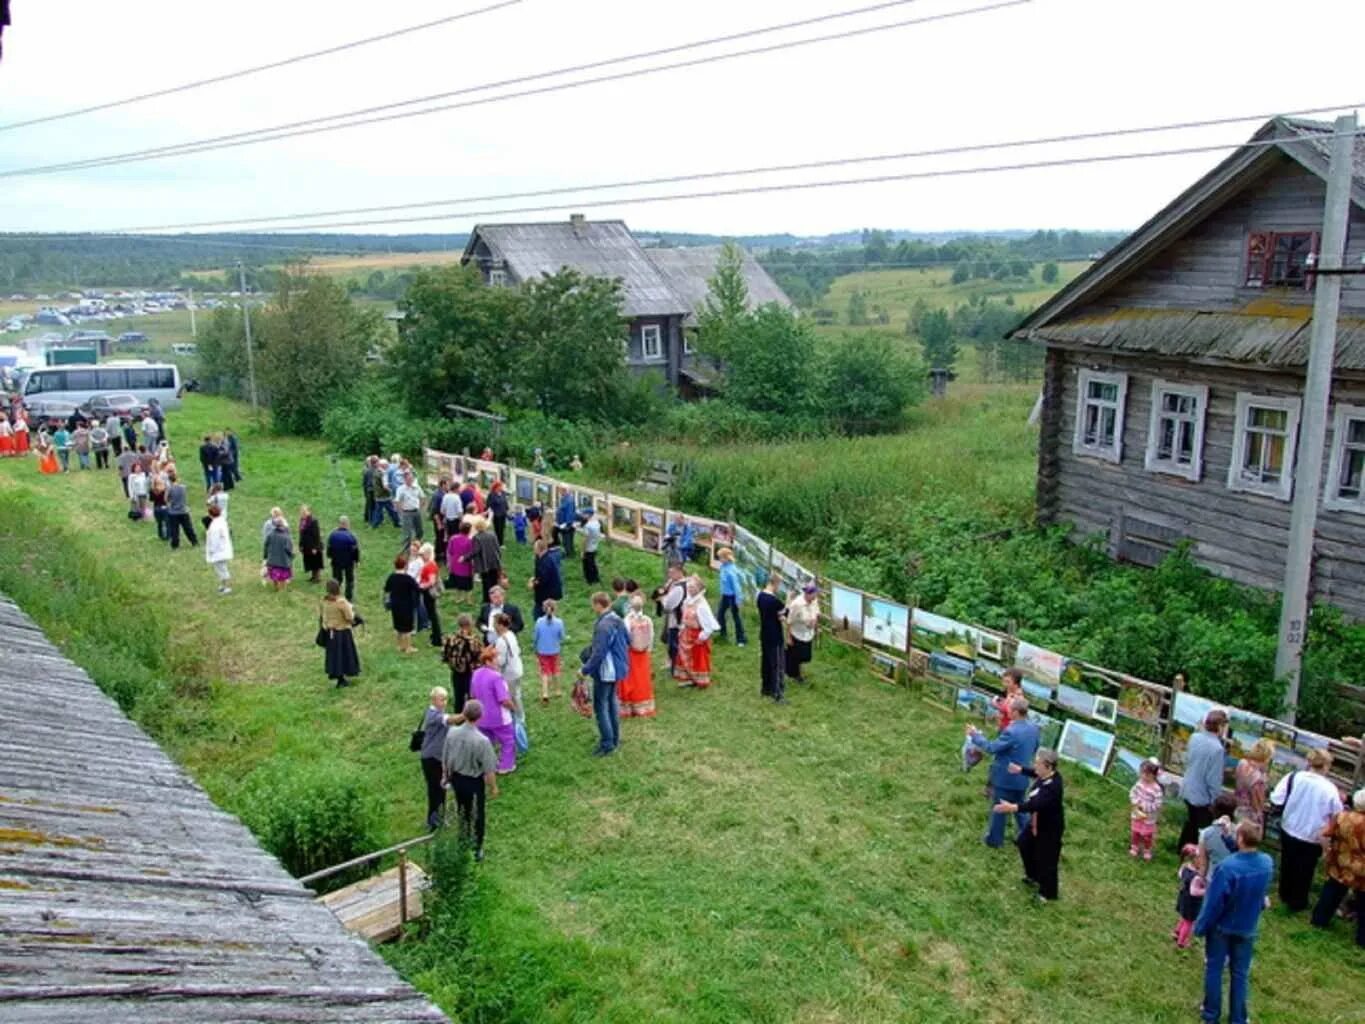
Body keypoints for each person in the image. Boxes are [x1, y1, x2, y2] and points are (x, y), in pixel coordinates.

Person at [1193, 821, 1274, 1024]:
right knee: (1240, 974)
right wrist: (1230, 836)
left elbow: (1214, 903)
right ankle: (1238, 1018)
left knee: (1214, 969)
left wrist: (1201, 926)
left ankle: (1211, 1014)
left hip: (1223, 927)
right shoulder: (1266, 862)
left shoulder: (1226, 868)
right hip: (1247, 927)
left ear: (1240, 839)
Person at [1269, 746, 1343, 912]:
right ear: (1325, 766)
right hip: (1312, 836)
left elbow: (1276, 798)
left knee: (1288, 861)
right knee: (1305, 869)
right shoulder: (1329, 788)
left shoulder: (1293, 777)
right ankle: (1297, 900)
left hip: (1289, 827)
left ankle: (1284, 892)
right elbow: (1337, 813)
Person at [967, 696, 1041, 848]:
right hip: (1022, 777)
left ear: (1015, 712)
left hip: (1005, 778)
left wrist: (975, 735)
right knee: (1020, 809)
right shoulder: (1034, 729)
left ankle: (994, 840)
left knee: (999, 808)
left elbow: (992, 748)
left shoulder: (1011, 731)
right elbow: (1035, 749)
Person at [995, 748, 1065, 902]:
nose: (1035, 765)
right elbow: (1035, 773)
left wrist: (1012, 807)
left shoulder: (1053, 787)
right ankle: (1033, 875)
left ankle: (1048, 893)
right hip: (1035, 823)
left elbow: (1035, 805)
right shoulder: (1044, 775)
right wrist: (1020, 770)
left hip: (1049, 828)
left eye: (1037, 763)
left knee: (1047, 860)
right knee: (1023, 843)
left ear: (1048, 766)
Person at [441, 699, 500, 860]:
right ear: (480, 717)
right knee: (477, 815)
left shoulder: (452, 732)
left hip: (456, 779)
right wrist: (493, 787)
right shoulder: (481, 741)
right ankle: (477, 848)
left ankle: (462, 840)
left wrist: (445, 776)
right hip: (473, 782)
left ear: (464, 714)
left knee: (462, 810)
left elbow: (445, 757)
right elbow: (489, 769)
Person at [1311, 787, 1365, 947]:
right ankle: (1362, 938)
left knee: (1332, 890)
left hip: (1340, 862)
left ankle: (1319, 920)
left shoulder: (1342, 816)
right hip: (1361, 870)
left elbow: (1325, 833)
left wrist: (1327, 850)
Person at [580, 591, 628, 757]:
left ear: (598, 605)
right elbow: (627, 640)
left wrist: (585, 669)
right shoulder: (618, 619)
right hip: (618, 667)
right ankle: (615, 738)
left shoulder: (603, 626)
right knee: (612, 702)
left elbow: (599, 653)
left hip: (606, 670)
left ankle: (607, 743)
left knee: (601, 706)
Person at [1178, 709, 1229, 851]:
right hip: (1202, 794)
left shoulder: (1195, 737)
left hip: (1188, 787)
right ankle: (1195, 854)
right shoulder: (1217, 749)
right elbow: (1213, 779)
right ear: (1220, 727)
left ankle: (1182, 848)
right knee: (1201, 828)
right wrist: (1215, 801)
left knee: (1191, 821)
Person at [470, 646, 517, 774]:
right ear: (488, 661)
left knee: (487, 742)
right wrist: (513, 708)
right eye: (495, 658)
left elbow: (473, 695)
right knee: (508, 740)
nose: (498, 661)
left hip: (481, 717)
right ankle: (506, 765)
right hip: (499, 717)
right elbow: (503, 699)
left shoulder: (476, 673)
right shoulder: (496, 677)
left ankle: (488, 764)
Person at [418, 687, 459, 831]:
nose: (444, 702)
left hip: (437, 757)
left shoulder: (438, 713)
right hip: (431, 758)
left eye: (446, 699)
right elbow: (451, 720)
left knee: (440, 788)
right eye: (442, 699)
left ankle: (438, 818)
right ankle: (434, 820)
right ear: (434, 700)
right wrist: (467, 714)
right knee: (435, 789)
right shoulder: (433, 715)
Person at [673, 575, 720, 689]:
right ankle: (690, 678)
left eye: (693, 587)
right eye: (689, 587)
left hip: (696, 635)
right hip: (686, 633)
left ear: (699, 588)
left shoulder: (701, 605)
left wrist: (702, 637)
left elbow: (707, 625)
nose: (690, 589)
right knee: (685, 658)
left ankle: (700, 680)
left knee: (698, 659)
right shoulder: (688, 601)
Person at [621, 592, 656, 718]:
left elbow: (650, 636)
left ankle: (637, 705)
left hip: (637, 654)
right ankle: (638, 704)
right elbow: (650, 637)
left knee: (637, 678)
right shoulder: (637, 620)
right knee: (638, 679)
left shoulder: (637, 620)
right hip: (637, 654)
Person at [320, 578, 360, 688]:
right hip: (342, 632)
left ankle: (339, 677)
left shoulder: (325, 602)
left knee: (335, 657)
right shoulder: (341, 602)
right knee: (345, 655)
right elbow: (349, 617)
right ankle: (344, 676)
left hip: (331, 632)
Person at [756, 573, 787, 703]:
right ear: (776, 583)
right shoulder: (775, 601)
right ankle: (777, 692)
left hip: (764, 633)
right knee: (777, 664)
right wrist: (789, 601)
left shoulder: (760, 596)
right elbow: (783, 615)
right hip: (775, 635)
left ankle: (766, 688)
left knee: (766, 662)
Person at [442, 614, 482, 710]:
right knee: (471, 698)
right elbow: (479, 656)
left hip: (456, 672)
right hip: (470, 672)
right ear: (469, 625)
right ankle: (471, 718)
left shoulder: (450, 638)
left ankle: (458, 719)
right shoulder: (473, 640)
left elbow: (444, 655)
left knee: (458, 698)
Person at [652, 563, 687, 671]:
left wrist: (661, 598)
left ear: (680, 572)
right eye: (669, 572)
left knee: (674, 642)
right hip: (673, 616)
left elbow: (668, 605)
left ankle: (675, 665)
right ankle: (672, 661)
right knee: (669, 639)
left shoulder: (679, 587)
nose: (670, 575)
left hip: (676, 617)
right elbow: (665, 590)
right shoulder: (673, 582)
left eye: (672, 573)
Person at [384, 554, 421, 654]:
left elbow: (387, 589)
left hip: (395, 605)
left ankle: (399, 646)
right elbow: (417, 589)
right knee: (407, 628)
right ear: (405, 566)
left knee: (398, 626)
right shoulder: (408, 578)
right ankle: (408, 647)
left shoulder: (391, 577)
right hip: (406, 605)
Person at [494, 613, 525, 730]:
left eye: (495, 624)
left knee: (512, 696)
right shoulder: (511, 634)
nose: (494, 627)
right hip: (517, 668)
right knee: (517, 694)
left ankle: (519, 719)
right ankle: (519, 717)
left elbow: (501, 661)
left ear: (501, 625)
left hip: (509, 673)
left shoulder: (501, 641)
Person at [784, 583, 820, 684]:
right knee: (796, 657)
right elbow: (789, 621)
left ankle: (794, 668)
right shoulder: (797, 604)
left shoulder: (814, 601)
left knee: (806, 656)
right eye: (814, 594)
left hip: (808, 634)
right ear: (808, 594)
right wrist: (788, 637)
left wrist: (815, 623)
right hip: (797, 634)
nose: (816, 596)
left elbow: (816, 613)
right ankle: (797, 676)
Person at [1233, 739, 1273, 829]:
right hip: (1250, 816)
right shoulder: (1259, 778)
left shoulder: (1242, 763)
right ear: (1266, 756)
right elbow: (1258, 803)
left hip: (1238, 807)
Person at [1174, 843, 1208, 949]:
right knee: (1189, 922)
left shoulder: (1184, 867)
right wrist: (1206, 890)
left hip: (1183, 897)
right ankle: (1182, 941)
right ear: (1195, 860)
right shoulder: (1196, 877)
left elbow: (1180, 875)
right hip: (1192, 902)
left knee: (1184, 917)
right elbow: (1194, 891)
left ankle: (1177, 931)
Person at [1129, 757, 1164, 861]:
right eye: (1142, 773)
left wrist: (1146, 807)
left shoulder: (1157, 789)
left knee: (1147, 835)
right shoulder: (1139, 783)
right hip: (1137, 813)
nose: (1144, 776)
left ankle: (1147, 850)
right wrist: (1135, 801)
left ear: (1154, 775)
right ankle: (1134, 847)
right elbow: (1132, 793)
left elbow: (1158, 804)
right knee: (1135, 831)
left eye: (1147, 774)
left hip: (1149, 817)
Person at [533, 599, 566, 705]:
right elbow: (562, 637)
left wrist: (535, 647)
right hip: (555, 650)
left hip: (542, 650)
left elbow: (535, 637)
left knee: (544, 672)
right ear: (555, 609)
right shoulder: (559, 622)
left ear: (543, 609)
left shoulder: (538, 621)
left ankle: (545, 693)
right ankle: (557, 690)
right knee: (555, 670)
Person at [713, 547, 747, 646]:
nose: (719, 559)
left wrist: (738, 599)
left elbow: (736, 587)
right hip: (725, 595)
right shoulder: (723, 567)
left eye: (721, 557)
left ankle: (741, 639)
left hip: (732, 597)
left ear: (727, 558)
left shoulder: (731, 570)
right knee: (720, 614)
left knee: (735, 617)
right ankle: (723, 633)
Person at [326, 516, 360, 603]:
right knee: (349, 580)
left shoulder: (333, 535)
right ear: (347, 524)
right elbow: (355, 550)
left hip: (336, 561)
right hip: (348, 562)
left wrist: (329, 556)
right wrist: (356, 560)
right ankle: (348, 598)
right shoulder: (351, 536)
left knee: (337, 579)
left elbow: (329, 548)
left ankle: (334, 595)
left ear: (339, 524)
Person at [469, 517, 503, 603]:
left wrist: (465, 558)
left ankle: (487, 599)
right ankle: (497, 598)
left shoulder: (476, 538)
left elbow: (475, 551)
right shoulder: (492, 534)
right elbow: (497, 548)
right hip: (494, 561)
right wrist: (499, 557)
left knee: (486, 583)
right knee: (494, 581)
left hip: (484, 564)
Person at [530, 537, 563, 619]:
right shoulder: (542, 558)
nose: (533, 549)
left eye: (534, 547)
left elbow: (543, 579)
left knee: (539, 614)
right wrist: (534, 579)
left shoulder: (546, 562)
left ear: (539, 549)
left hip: (547, 593)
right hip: (547, 592)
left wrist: (533, 584)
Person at [418, 542, 443, 646]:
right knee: (432, 614)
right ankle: (436, 635)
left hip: (429, 593)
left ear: (428, 554)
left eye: (422, 554)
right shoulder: (430, 564)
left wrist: (422, 586)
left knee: (432, 615)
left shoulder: (430, 566)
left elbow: (432, 581)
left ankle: (437, 638)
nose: (421, 557)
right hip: (427, 593)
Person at [204, 504, 233, 595]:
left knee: (221, 569)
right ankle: (223, 585)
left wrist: (212, 550)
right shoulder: (222, 521)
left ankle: (226, 587)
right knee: (222, 568)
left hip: (218, 551)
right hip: (224, 549)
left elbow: (215, 540)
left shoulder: (214, 526)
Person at [445, 519, 475, 603]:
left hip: (455, 564)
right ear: (469, 530)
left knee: (457, 582)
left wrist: (449, 562)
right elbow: (471, 554)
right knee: (468, 583)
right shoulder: (470, 541)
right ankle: (469, 599)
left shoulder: (453, 538)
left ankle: (458, 598)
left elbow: (450, 551)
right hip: (466, 566)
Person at [166, 471, 199, 549]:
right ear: (177, 478)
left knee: (174, 530)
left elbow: (166, 499)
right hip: (184, 511)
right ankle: (194, 541)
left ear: (169, 480)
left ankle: (175, 545)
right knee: (188, 528)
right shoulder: (183, 487)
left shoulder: (169, 489)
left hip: (173, 512)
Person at [395, 470, 425, 548]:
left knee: (420, 530)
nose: (411, 480)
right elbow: (397, 501)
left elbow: (422, 497)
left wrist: (420, 508)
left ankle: (417, 544)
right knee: (407, 532)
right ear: (405, 479)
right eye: (409, 479)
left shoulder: (417, 487)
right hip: (407, 512)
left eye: (412, 479)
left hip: (416, 511)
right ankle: (406, 548)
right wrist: (400, 512)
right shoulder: (401, 489)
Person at [263, 515, 293, 590]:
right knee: (283, 576)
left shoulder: (270, 535)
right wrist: (291, 555)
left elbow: (266, 545)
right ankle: (282, 588)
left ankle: (276, 587)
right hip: (283, 561)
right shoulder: (286, 536)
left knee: (274, 575)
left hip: (272, 560)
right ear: (282, 525)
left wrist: (265, 556)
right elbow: (289, 548)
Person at [299, 505, 324, 584]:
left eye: (304, 511)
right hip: (307, 546)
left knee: (316, 561)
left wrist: (315, 547)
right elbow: (301, 533)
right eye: (302, 511)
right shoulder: (302, 520)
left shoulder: (313, 521)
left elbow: (316, 535)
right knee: (310, 561)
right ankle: (313, 577)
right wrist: (301, 545)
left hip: (314, 545)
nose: (303, 513)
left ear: (309, 511)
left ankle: (317, 578)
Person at [371, 461, 398, 528]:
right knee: (392, 510)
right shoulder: (384, 473)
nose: (388, 466)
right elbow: (385, 486)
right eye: (387, 465)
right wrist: (391, 491)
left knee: (378, 511)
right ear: (383, 465)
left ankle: (375, 525)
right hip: (385, 496)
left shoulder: (376, 472)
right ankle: (397, 523)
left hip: (378, 495)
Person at [580, 507, 602, 585]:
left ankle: (590, 580)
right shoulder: (597, 523)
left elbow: (585, 539)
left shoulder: (588, 526)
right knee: (593, 563)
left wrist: (582, 551)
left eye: (584, 514)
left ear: (588, 515)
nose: (582, 515)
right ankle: (596, 578)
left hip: (588, 548)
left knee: (587, 565)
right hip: (594, 546)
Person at [555, 489, 578, 556]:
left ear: (564, 491)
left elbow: (569, 513)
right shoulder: (564, 498)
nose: (559, 492)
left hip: (566, 524)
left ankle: (569, 554)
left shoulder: (569, 501)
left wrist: (566, 523)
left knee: (567, 540)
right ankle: (569, 552)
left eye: (560, 490)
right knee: (566, 540)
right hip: (563, 523)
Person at [487, 480, 509, 547]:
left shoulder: (503, 493)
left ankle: (501, 542)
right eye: (500, 486)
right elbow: (489, 504)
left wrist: (507, 508)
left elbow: (505, 501)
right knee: (498, 529)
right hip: (497, 514)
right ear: (496, 487)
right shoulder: (491, 494)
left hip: (503, 513)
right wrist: (491, 512)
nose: (502, 487)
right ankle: (499, 543)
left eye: (501, 486)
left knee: (502, 528)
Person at [361, 455, 378, 527]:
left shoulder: (367, 471)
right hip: (373, 490)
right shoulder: (376, 471)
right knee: (373, 506)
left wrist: (365, 491)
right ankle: (372, 521)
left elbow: (364, 483)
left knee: (369, 505)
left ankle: (368, 519)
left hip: (368, 490)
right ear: (375, 462)